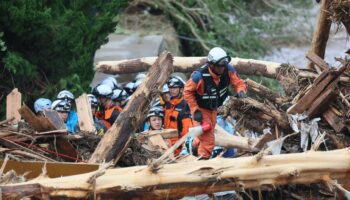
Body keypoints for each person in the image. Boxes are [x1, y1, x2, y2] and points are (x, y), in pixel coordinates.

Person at [183, 47, 247, 159]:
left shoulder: (228, 69)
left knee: (208, 130)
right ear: (211, 64)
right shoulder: (199, 76)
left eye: (224, 65)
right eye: (219, 65)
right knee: (209, 140)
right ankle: (203, 162)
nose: (222, 68)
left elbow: (239, 82)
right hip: (201, 109)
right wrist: (195, 110)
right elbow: (187, 92)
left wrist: (241, 91)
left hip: (214, 108)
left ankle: (195, 143)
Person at [164, 75, 192, 155]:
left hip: (178, 146)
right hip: (167, 144)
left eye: (175, 88)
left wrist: (183, 146)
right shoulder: (168, 105)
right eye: (171, 88)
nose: (172, 90)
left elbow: (186, 130)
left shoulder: (185, 105)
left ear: (181, 89)